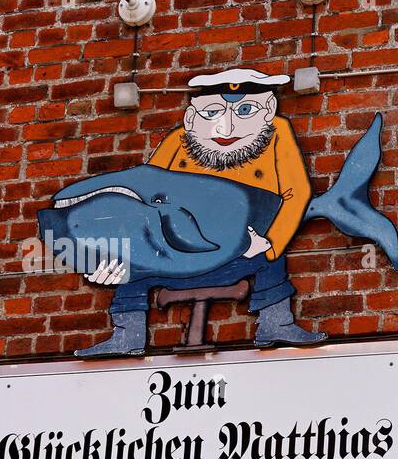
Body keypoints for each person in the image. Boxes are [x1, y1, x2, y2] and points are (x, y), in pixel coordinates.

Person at [77, 67, 326, 357]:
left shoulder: (277, 135)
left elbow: (296, 193)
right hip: (179, 256)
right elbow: (141, 199)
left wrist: (268, 244)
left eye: (245, 110)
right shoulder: (176, 143)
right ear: (191, 116)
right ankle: (126, 334)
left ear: (269, 109)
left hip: (242, 253)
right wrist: (116, 257)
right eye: (212, 113)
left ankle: (276, 323)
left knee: (272, 262)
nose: (227, 128)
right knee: (133, 269)